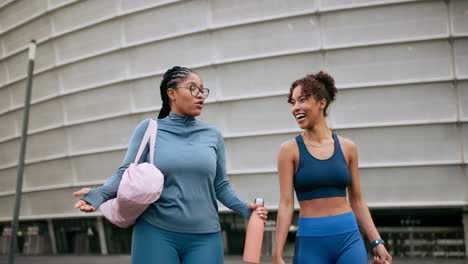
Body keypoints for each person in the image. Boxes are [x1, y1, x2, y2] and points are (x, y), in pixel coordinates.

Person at [72, 66, 268, 264]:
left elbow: (220, 185)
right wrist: (99, 194)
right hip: (155, 233)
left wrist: (246, 209)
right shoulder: (149, 129)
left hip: (206, 237)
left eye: (202, 90)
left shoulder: (213, 135)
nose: (200, 95)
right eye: (193, 88)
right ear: (171, 93)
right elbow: (125, 172)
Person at [272, 71, 392, 264]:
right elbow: (286, 204)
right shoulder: (288, 151)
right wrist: (277, 254)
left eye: (302, 100)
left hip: (349, 240)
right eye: (292, 102)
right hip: (311, 243)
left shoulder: (348, 148)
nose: (295, 108)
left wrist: (376, 241)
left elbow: (357, 200)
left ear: (322, 103)